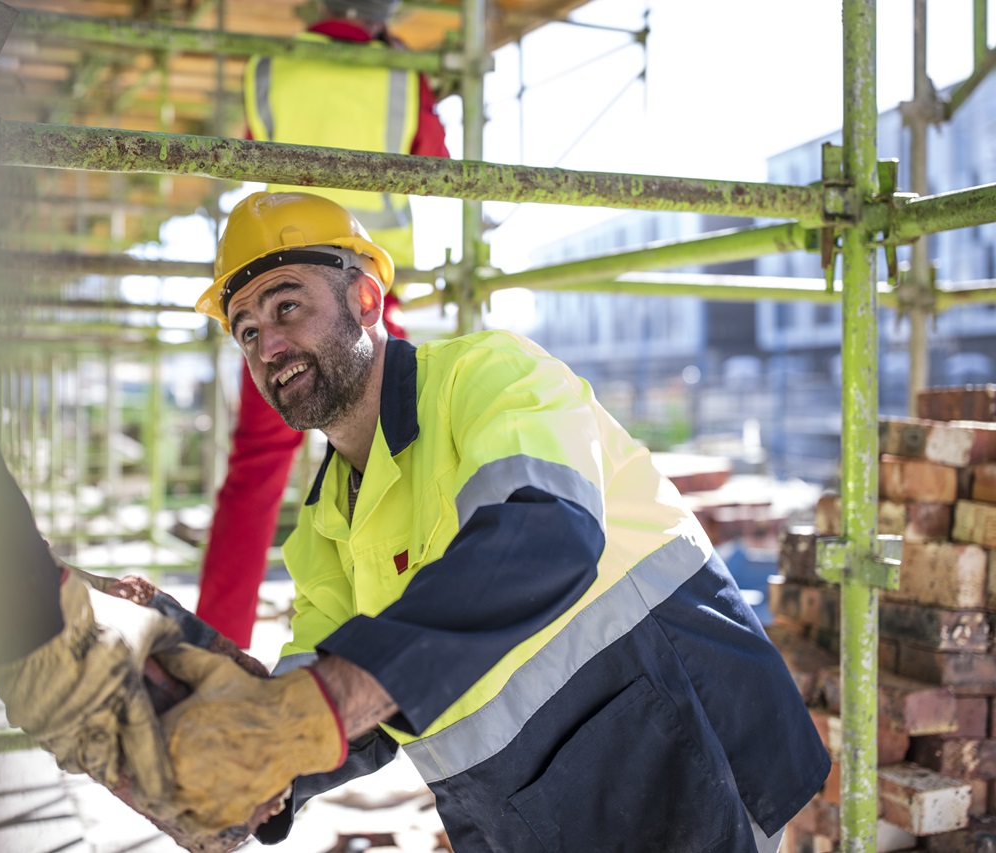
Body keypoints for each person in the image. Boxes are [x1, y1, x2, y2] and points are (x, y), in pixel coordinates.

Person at [158, 190, 832, 852]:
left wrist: (334, 696)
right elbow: (326, 698)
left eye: (287, 306)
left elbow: (542, 534)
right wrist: (255, 774)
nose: (269, 344)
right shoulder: (326, 523)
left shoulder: (489, 378)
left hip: (684, 753)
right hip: (537, 810)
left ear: (366, 299)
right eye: (247, 330)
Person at [195, 0, 449, 647]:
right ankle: (405, 631)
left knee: (254, 474)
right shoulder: (400, 76)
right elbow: (438, 164)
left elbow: (253, 162)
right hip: (365, 301)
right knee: (404, 459)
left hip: (281, 294)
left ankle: (215, 649)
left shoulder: (267, 69)